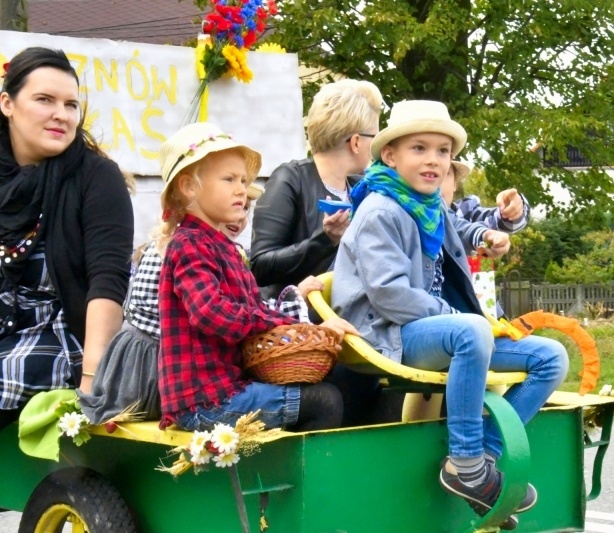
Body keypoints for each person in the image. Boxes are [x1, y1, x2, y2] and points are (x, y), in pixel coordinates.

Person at [331, 101, 569, 526]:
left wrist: (492, 233)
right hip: (391, 334)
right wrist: (459, 317)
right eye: (419, 148)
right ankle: (465, 460)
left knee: (551, 358)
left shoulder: (430, 206)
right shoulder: (380, 210)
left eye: (443, 151)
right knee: (471, 331)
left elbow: (462, 227)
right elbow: (389, 294)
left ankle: (483, 462)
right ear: (390, 156)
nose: (433, 161)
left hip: (444, 331)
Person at [157, 122, 357, 432]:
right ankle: (298, 479)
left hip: (224, 391)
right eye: (229, 179)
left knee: (329, 383)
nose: (241, 189)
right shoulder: (190, 244)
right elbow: (211, 313)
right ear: (189, 187)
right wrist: (287, 324)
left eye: (243, 179)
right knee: (324, 400)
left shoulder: (226, 249)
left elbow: (255, 308)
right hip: (206, 401)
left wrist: (309, 329)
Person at [0, 48, 134, 431]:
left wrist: (94, 382)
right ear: (7, 103)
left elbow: (108, 283)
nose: (62, 114)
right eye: (45, 100)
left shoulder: (97, 177)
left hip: (64, 337)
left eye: (71, 104)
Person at [250, 78, 381, 299]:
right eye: (375, 137)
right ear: (356, 142)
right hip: (298, 326)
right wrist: (325, 240)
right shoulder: (290, 178)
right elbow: (260, 266)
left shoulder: (364, 188)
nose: (377, 146)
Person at [441, 161, 530, 233]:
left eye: (444, 174)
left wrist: (510, 209)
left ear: (455, 184)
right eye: (428, 175)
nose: (436, 183)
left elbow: (494, 222)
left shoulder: (465, 213)